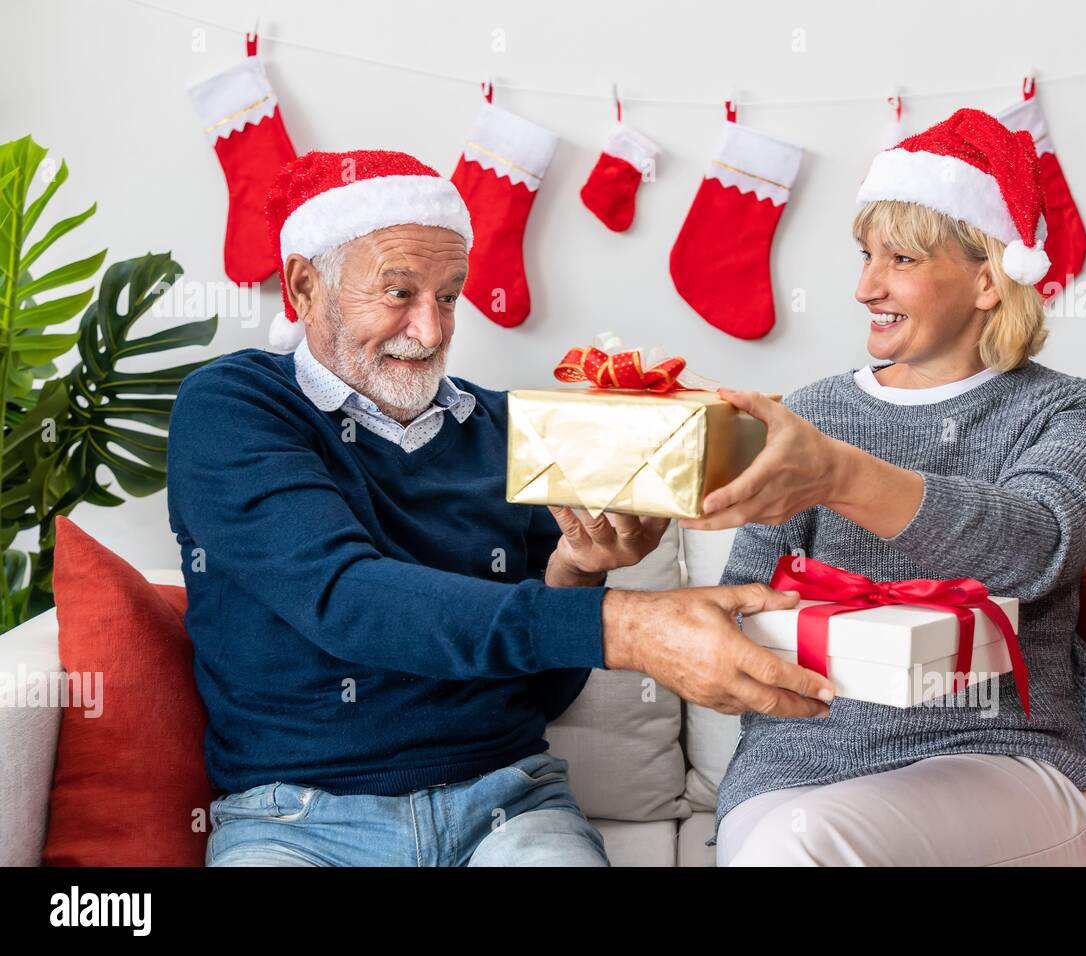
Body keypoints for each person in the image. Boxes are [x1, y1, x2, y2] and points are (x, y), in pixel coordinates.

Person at [166, 149, 834, 868]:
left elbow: (539, 693)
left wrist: (576, 571)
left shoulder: (514, 430)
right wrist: (629, 628)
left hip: (507, 807)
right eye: (398, 292)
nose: (430, 331)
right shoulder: (233, 407)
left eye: (448, 296)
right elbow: (345, 596)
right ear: (304, 284)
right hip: (295, 822)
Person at [679, 109, 1086, 866]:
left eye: (902, 261)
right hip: (793, 774)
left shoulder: (1067, 410)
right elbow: (743, 607)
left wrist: (842, 474)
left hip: (999, 758)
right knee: (782, 849)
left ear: (989, 278)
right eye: (864, 255)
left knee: (807, 847)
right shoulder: (814, 411)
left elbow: (1038, 548)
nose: (865, 287)